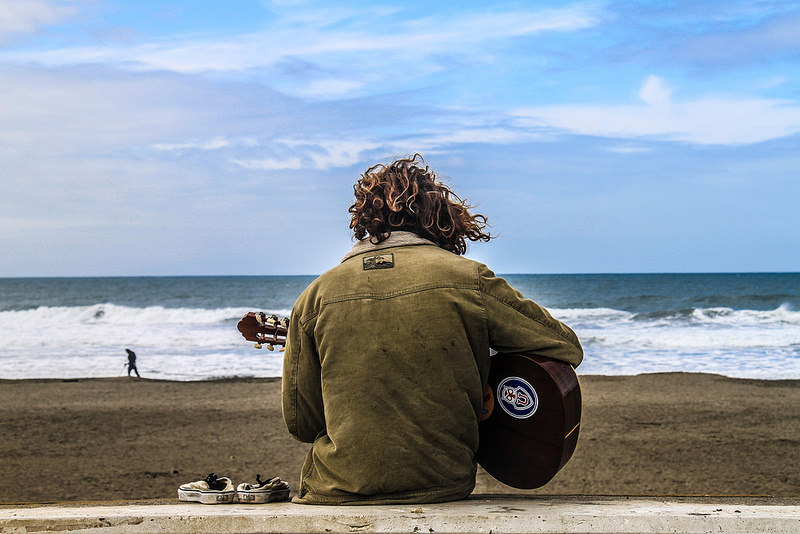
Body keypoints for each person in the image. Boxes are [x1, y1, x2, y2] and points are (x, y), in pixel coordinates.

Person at [282, 154, 583, 505]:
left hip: (338, 490)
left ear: (364, 216)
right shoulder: (469, 279)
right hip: (443, 486)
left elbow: (301, 424)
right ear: (438, 218)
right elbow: (565, 347)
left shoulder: (314, 297)